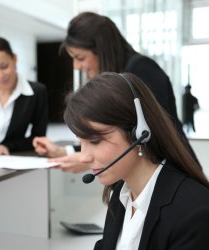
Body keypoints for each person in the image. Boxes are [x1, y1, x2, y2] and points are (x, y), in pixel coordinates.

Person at [33, 11, 200, 172]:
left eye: (80, 58)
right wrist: (66, 151)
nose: (76, 66)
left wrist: (86, 160)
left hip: (169, 174)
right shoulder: (120, 76)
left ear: (101, 49)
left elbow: (151, 136)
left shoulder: (142, 70)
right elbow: (115, 135)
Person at [64, 72, 209, 250]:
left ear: (139, 133)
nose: (84, 157)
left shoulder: (193, 214)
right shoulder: (121, 194)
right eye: (80, 142)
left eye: (95, 141)